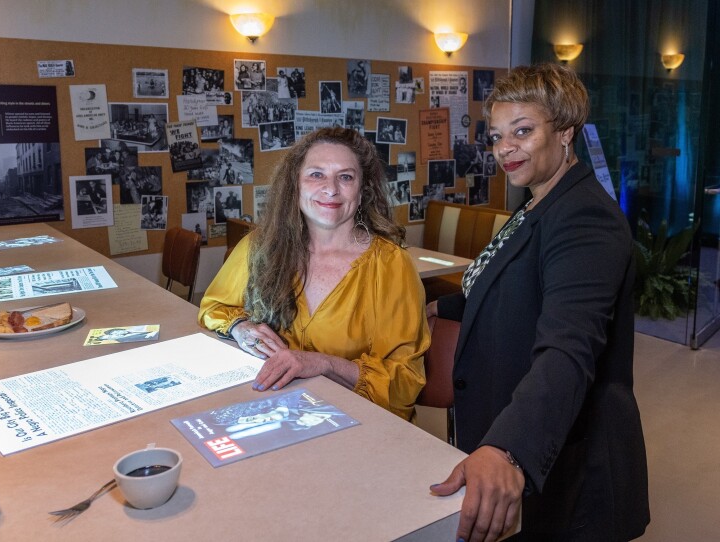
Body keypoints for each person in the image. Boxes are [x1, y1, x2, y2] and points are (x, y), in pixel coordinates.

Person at [427, 63, 649, 541]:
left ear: (565, 132)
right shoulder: (536, 202)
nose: (506, 148)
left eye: (523, 131)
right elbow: (507, 288)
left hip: (573, 463)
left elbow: (568, 349)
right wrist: (436, 310)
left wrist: (508, 448)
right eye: (498, 135)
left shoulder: (585, 219)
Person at [198, 127, 429, 421]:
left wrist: (324, 364)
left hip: (361, 425)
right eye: (316, 174)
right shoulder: (259, 247)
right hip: (271, 411)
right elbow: (213, 307)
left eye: (345, 177)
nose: (331, 189)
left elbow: (405, 381)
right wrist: (241, 328)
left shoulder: (391, 265)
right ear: (295, 185)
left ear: (362, 191)